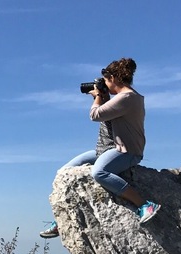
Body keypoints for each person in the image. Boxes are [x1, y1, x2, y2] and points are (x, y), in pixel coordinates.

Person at [40, 57, 160, 238]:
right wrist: (103, 98)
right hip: (107, 149)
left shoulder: (127, 98)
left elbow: (95, 115)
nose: (104, 84)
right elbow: (108, 117)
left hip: (126, 151)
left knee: (99, 173)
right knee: (66, 171)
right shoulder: (124, 98)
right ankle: (63, 219)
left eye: (105, 80)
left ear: (114, 78)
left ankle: (144, 205)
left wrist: (97, 98)